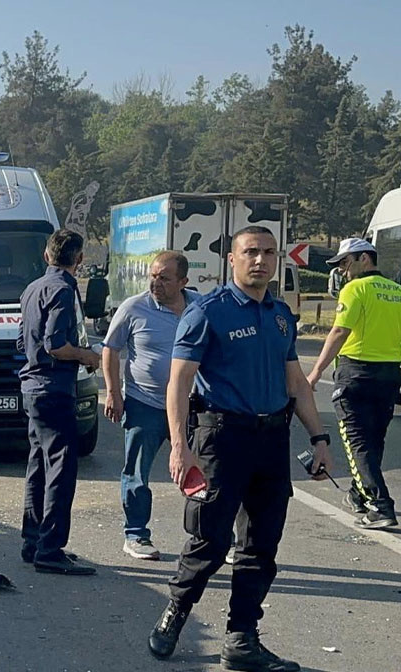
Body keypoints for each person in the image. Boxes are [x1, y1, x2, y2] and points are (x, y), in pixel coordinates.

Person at [148, 226, 331, 671]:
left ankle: (242, 637)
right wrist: (180, 447)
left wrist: (320, 438)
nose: (261, 261)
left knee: (261, 545)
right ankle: (175, 613)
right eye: (251, 252)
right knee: (209, 541)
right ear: (232, 259)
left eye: (269, 253)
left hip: (271, 440)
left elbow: (297, 385)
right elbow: (179, 382)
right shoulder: (208, 313)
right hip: (221, 439)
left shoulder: (282, 315)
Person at [102, 251, 198, 561]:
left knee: (199, 471)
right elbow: (110, 350)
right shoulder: (134, 308)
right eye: (153, 276)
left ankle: (207, 534)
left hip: (191, 405)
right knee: (137, 473)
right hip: (146, 403)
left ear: (183, 281)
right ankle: (136, 535)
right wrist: (114, 393)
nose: (155, 283)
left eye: (164, 278)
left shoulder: (200, 307)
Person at [17, 229, 102, 575]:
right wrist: (87, 356)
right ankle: (51, 548)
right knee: (62, 469)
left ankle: (33, 540)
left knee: (38, 465)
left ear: (46, 255)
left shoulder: (32, 289)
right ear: (79, 260)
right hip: (54, 386)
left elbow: (23, 342)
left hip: (32, 387)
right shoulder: (64, 291)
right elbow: (56, 344)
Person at [306, 237, 401, 529]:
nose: (343, 271)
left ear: (364, 258)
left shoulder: (355, 288)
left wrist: (315, 372)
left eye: (345, 263)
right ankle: (359, 495)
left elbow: (338, 332)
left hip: (356, 373)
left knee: (356, 441)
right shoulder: (397, 291)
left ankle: (379, 505)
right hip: (389, 375)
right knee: (374, 440)